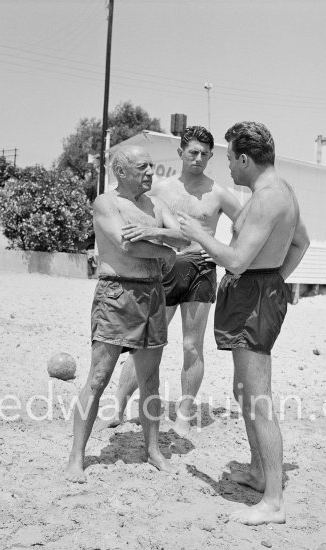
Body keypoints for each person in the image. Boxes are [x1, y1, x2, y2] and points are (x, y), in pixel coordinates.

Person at [178, 121, 310, 525]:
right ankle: (258, 472)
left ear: (245, 158)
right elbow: (302, 242)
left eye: (231, 157)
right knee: (243, 390)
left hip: (253, 296)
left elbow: (235, 260)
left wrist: (200, 235)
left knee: (257, 398)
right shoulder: (276, 191)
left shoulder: (270, 198)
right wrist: (275, 280)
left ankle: (273, 501)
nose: (228, 168)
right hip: (256, 291)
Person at [106, 126, 242, 436]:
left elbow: (246, 222)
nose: (199, 158)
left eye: (205, 154)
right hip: (164, 268)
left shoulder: (218, 193)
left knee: (193, 346)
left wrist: (224, 253)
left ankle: (184, 414)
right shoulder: (160, 188)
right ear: (180, 152)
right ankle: (119, 406)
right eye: (193, 152)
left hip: (200, 270)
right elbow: (132, 213)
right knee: (145, 342)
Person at [65, 145, 188, 483]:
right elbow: (125, 244)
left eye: (151, 166)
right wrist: (165, 251)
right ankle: (77, 456)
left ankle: (152, 449)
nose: (150, 172)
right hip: (117, 293)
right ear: (122, 171)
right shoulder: (107, 203)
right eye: (143, 167)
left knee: (150, 379)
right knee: (100, 376)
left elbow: (183, 239)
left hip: (152, 295)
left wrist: (155, 233)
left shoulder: (156, 205)